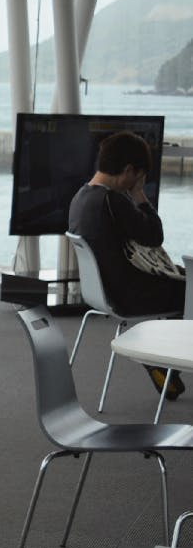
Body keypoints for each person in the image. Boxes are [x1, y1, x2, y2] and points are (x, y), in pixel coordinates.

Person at [68, 129, 187, 397]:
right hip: (128, 295)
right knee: (190, 291)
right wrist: (139, 195)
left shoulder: (80, 197)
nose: (136, 182)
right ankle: (162, 358)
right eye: (139, 177)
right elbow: (154, 236)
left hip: (103, 292)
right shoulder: (113, 200)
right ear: (129, 170)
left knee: (183, 285)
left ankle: (164, 362)